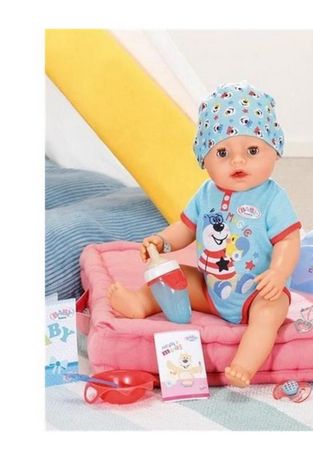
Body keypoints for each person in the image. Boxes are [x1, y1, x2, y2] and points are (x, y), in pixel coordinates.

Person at [108, 82, 301, 387]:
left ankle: (244, 364)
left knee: (269, 314)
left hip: (258, 292)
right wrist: (163, 241)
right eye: (222, 152)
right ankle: (139, 303)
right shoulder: (206, 193)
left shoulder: (273, 198)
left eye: (252, 150)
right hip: (211, 287)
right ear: (204, 158)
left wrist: (278, 273)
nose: (238, 161)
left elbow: (288, 240)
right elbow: (186, 228)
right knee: (174, 277)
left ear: (274, 151)